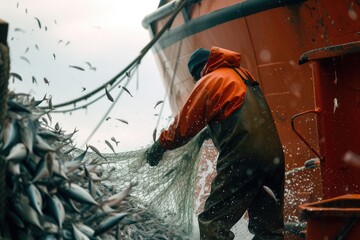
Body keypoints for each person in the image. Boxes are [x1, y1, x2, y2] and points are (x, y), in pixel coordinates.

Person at [145, 46, 285, 240]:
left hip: (244, 158)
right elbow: (241, 115)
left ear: (200, 70)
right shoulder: (242, 75)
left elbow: (184, 125)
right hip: (274, 158)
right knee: (268, 229)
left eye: (196, 77)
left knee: (213, 223)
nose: (196, 81)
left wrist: (160, 145)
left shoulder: (211, 80)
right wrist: (208, 132)